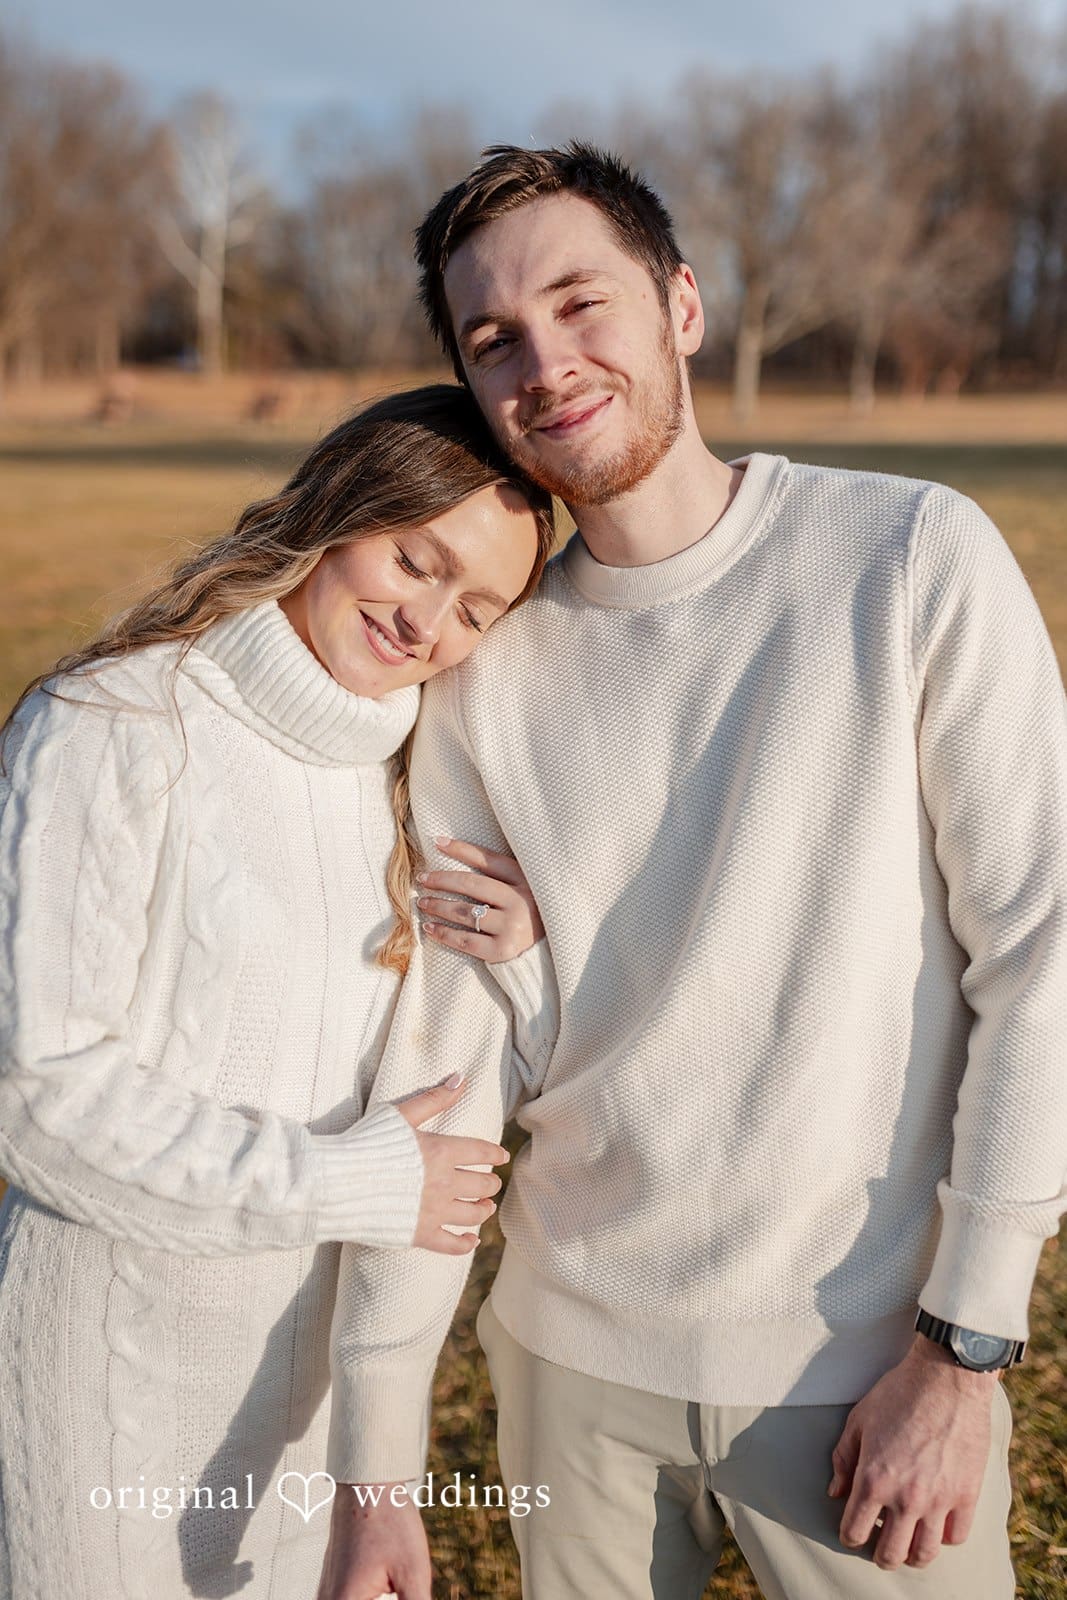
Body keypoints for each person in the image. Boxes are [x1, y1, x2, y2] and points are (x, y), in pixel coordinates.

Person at [316, 147, 1067, 1600]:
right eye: (493, 340)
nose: (544, 361)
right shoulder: (482, 655)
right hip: (562, 1359)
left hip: (863, 1376)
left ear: (681, 307)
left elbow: (1039, 954)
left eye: (578, 302)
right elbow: (472, 1040)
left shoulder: (907, 557)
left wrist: (964, 1348)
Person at [0, 384, 560, 1598]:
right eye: (416, 560)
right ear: (336, 507)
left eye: (476, 608)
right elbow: (39, 1102)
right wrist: (350, 1181)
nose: (427, 622)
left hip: (298, 1405)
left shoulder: (417, 786)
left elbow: (463, 1081)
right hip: (107, 1373)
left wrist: (517, 954)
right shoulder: (111, 721)